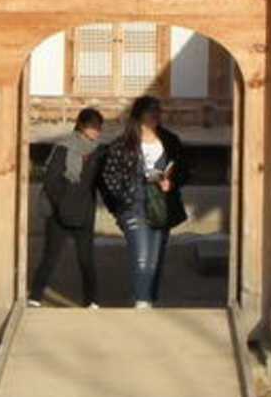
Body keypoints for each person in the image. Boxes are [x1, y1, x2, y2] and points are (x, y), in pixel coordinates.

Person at [97, 94, 188, 309]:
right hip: (134, 205)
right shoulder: (122, 144)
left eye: (158, 111)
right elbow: (108, 175)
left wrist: (171, 182)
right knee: (142, 257)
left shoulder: (170, 141)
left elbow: (184, 169)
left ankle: (149, 299)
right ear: (139, 115)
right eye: (150, 111)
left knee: (155, 259)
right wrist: (124, 197)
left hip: (161, 205)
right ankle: (142, 302)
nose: (155, 115)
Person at [31, 107, 105, 307]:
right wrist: (62, 204)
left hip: (84, 212)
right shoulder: (63, 148)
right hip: (59, 213)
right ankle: (35, 297)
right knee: (50, 257)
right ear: (81, 126)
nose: (96, 131)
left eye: (98, 127)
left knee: (86, 259)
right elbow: (51, 181)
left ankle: (91, 300)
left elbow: (102, 182)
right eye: (92, 126)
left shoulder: (98, 152)